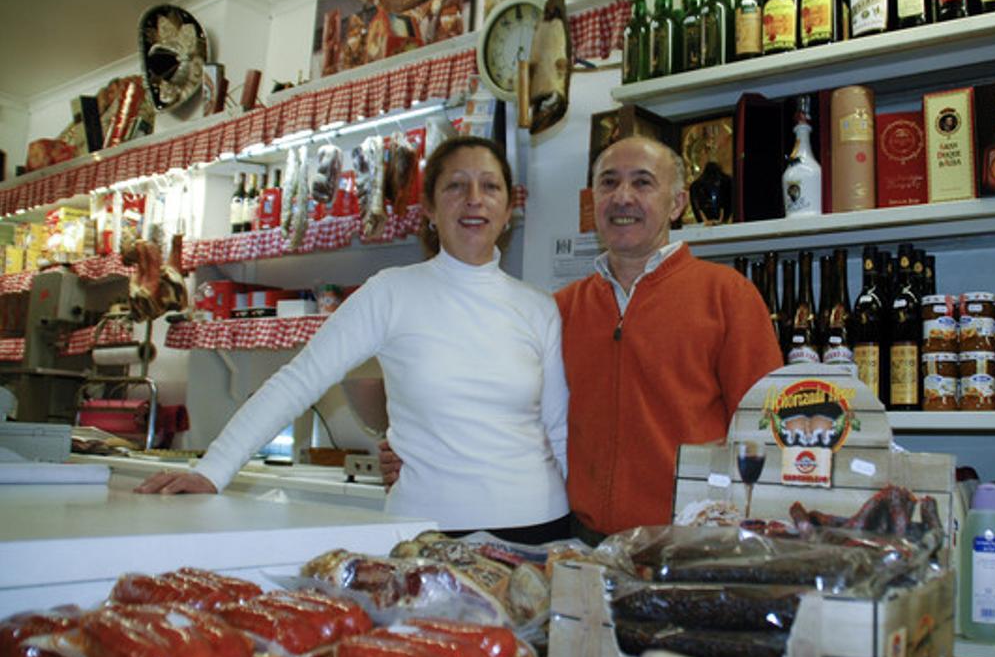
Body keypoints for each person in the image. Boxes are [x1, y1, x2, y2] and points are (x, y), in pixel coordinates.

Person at [136, 136, 571, 545]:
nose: (474, 198)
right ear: (429, 209)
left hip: (536, 525)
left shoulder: (538, 307)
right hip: (425, 530)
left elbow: (558, 427)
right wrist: (213, 470)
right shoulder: (390, 292)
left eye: (490, 186)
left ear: (508, 207)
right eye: (456, 186)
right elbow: (299, 380)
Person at [555, 136, 782, 543]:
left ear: (676, 204)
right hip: (582, 541)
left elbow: (763, 431)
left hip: (689, 543)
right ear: (593, 201)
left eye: (642, 183)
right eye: (609, 183)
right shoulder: (561, 308)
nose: (622, 197)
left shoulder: (727, 296)